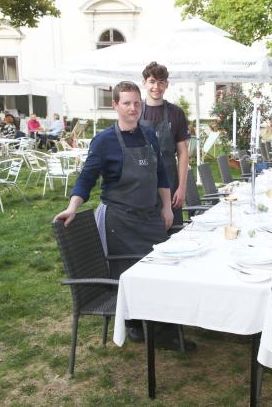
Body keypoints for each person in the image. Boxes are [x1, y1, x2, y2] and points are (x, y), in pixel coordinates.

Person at [53, 81, 187, 350]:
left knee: (164, 271)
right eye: (126, 103)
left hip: (151, 218)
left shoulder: (148, 135)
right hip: (121, 222)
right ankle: (139, 325)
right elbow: (86, 179)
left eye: (137, 103)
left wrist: (164, 207)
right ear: (115, 105)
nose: (133, 108)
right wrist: (73, 207)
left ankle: (163, 327)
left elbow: (160, 173)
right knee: (133, 274)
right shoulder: (104, 141)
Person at [139, 62, 190, 228]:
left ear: (167, 84)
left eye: (161, 82)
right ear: (145, 83)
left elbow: (183, 153)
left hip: (170, 182)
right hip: (141, 184)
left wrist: (182, 188)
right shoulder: (135, 110)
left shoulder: (176, 113)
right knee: (145, 235)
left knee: (173, 233)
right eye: (152, 81)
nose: (156, 87)